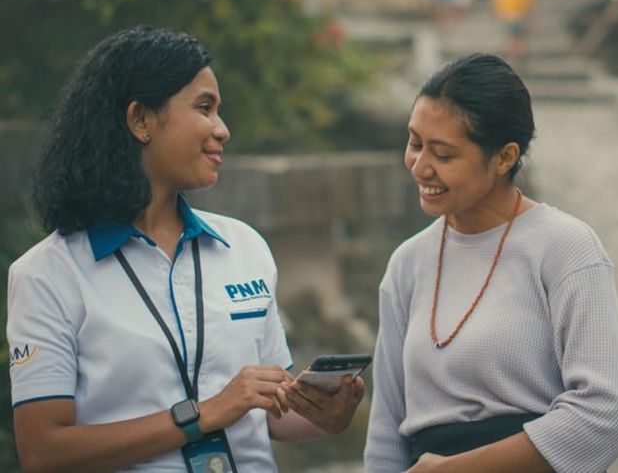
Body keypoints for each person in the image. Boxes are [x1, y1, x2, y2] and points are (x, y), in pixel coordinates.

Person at [7, 26, 365, 471]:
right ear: (140, 120)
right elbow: (43, 452)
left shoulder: (244, 247)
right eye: (204, 108)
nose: (223, 130)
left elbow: (275, 417)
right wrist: (202, 414)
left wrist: (327, 416)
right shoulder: (48, 274)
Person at [364, 53, 618, 472]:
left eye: (444, 154)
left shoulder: (565, 247)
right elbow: (386, 429)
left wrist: (456, 470)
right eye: (415, 143)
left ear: (505, 157)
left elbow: (603, 414)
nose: (420, 166)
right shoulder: (407, 264)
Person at [491, 0, 536, 64]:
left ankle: (515, 58)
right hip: (516, 19)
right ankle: (516, 58)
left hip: (514, 19)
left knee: (514, 40)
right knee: (515, 40)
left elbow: (498, 8)